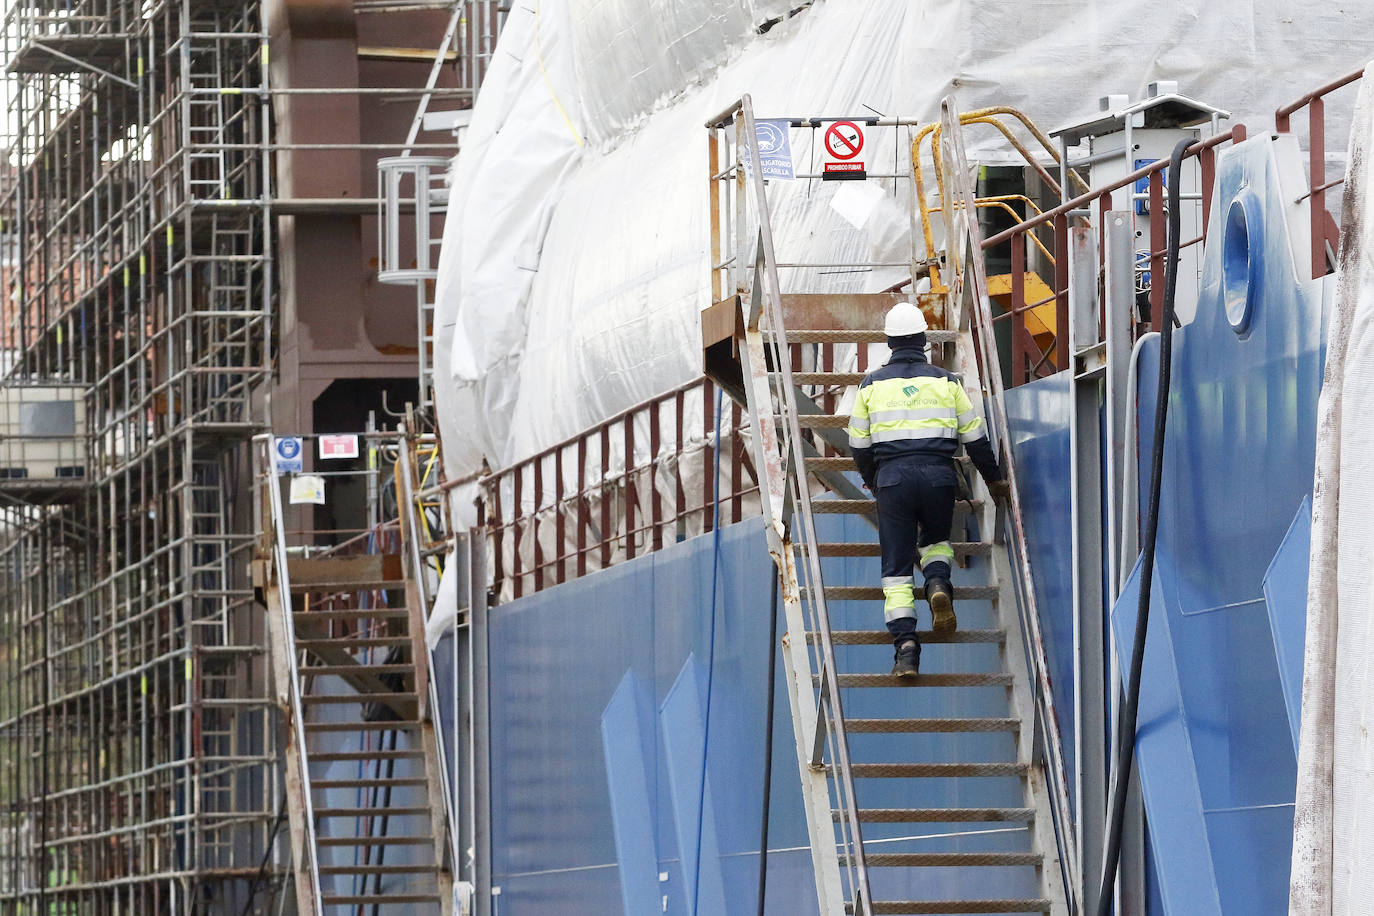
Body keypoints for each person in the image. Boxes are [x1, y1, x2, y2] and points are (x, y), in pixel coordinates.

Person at [846, 299, 1010, 677]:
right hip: (939, 476)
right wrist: (994, 478)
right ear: (923, 339)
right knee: (936, 540)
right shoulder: (946, 381)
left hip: (893, 480)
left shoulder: (870, 385)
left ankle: (906, 649)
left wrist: (873, 478)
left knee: (897, 568)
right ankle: (937, 582)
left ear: (890, 342)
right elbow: (975, 437)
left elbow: (858, 443)